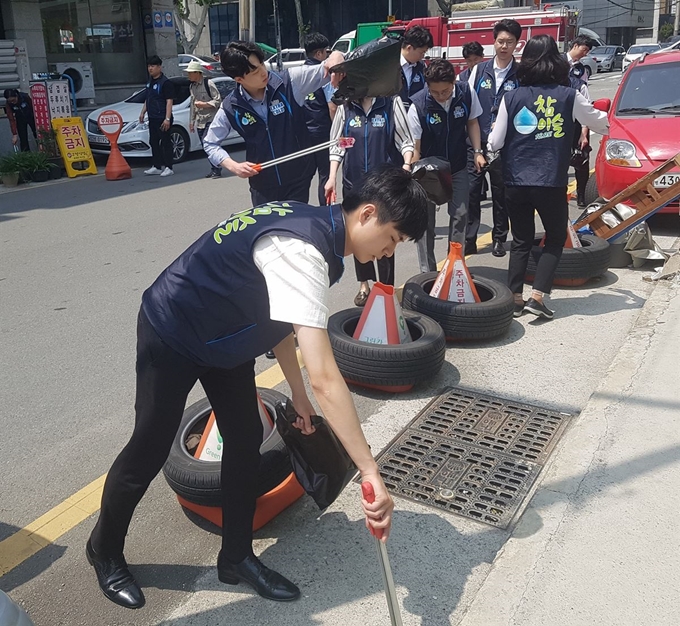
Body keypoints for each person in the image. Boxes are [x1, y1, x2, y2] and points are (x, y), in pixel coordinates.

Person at [86, 165, 426, 609]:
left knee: (245, 441)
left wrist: (297, 396)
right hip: (174, 328)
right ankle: (104, 549)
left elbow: (279, 319)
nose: (388, 251)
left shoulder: (315, 230)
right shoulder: (301, 249)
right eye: (393, 238)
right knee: (147, 448)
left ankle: (236, 557)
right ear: (366, 214)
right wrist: (369, 470)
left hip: (227, 336)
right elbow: (326, 376)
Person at [487, 34, 608, 320]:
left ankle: (515, 297)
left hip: (515, 180)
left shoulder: (511, 97)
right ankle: (538, 296)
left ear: (526, 61)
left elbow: (495, 142)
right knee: (554, 237)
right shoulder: (569, 95)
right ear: (556, 59)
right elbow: (600, 123)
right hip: (550, 181)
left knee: (520, 239)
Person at [203, 41, 345, 206]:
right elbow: (210, 143)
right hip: (262, 185)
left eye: (262, 64)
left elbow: (329, 67)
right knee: (268, 231)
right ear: (239, 79)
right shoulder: (231, 106)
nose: (263, 72)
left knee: (293, 228)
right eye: (255, 71)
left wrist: (336, 55)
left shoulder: (289, 82)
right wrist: (233, 166)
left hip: (298, 179)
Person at [325, 96, 414, 306]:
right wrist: (331, 178)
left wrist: (407, 164)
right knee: (359, 237)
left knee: (385, 236)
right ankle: (364, 284)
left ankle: (386, 287)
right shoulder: (346, 107)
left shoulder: (391, 103)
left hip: (384, 186)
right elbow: (337, 145)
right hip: (354, 185)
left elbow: (405, 141)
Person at [408, 59, 486, 272]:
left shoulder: (466, 92)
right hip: (428, 171)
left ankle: (455, 264)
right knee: (426, 223)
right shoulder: (418, 105)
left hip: (458, 164)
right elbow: (415, 146)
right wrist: (412, 171)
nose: (441, 96)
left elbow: (472, 122)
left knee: (460, 214)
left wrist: (478, 152)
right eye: (435, 92)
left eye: (445, 91)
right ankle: (428, 271)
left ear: (453, 82)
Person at [465, 19, 522, 258]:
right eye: (500, 41)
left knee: (501, 196)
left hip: (505, 148)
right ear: (493, 41)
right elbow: (468, 106)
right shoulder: (479, 70)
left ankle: (500, 239)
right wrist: (476, 148)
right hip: (475, 144)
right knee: (471, 195)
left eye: (510, 42)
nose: (504, 46)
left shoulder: (521, 74)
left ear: (517, 44)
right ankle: (469, 240)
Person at [301, 32, 335, 205]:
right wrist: (337, 131)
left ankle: (300, 213)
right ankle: (325, 214)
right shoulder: (324, 75)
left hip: (302, 133)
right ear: (319, 53)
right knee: (325, 175)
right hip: (322, 132)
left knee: (303, 178)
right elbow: (332, 106)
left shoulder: (298, 75)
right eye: (326, 52)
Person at [185, 61, 223, 179]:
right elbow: (193, 104)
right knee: (205, 145)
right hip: (200, 121)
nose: (189, 75)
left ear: (197, 73)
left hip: (211, 119)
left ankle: (217, 168)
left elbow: (218, 101)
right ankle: (214, 167)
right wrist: (191, 121)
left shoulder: (208, 83)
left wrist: (205, 104)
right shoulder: (192, 86)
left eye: (190, 73)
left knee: (208, 143)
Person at [140, 56, 175, 178]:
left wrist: (167, 118)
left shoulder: (165, 83)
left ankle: (168, 167)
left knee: (165, 143)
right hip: (153, 117)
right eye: (149, 66)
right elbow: (148, 98)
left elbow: (169, 101)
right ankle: (156, 166)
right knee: (153, 142)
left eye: (153, 66)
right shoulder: (150, 81)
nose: (150, 68)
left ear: (159, 67)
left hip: (162, 118)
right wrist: (143, 112)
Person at [398, 25, 434, 108]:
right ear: (409, 48)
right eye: (421, 52)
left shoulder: (421, 67)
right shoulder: (390, 65)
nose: (422, 56)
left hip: (415, 114)